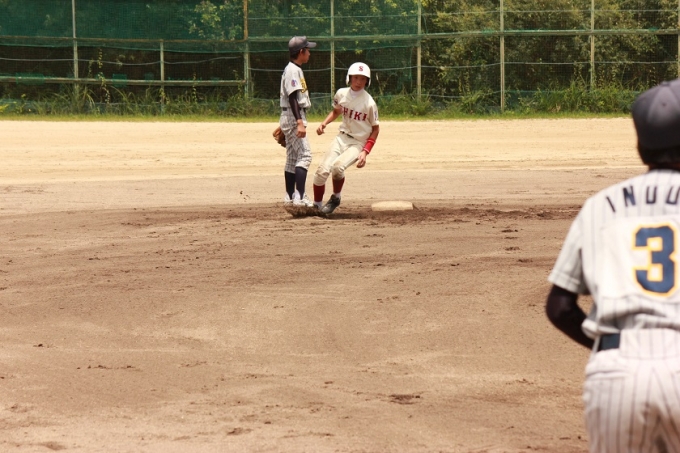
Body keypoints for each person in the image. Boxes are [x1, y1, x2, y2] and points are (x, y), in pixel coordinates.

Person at [546, 78, 680, 452]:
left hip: (616, 372)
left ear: (640, 146)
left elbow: (559, 307)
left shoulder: (600, 206)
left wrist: (609, 347)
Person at [312, 62, 380, 214]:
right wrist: (324, 123)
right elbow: (336, 111)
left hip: (358, 143)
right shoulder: (341, 93)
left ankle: (335, 198)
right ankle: (316, 206)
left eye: (362, 79)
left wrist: (365, 151)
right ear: (349, 78)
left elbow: (376, 129)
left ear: (367, 81)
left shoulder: (369, 103)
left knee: (337, 168)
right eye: (355, 77)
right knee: (322, 171)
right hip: (341, 138)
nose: (358, 82)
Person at [280, 36, 316, 207]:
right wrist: (299, 122)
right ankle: (300, 197)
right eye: (307, 50)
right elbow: (293, 97)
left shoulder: (293, 69)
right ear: (301, 52)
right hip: (294, 116)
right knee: (305, 155)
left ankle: (290, 196)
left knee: (293, 158)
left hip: (289, 115)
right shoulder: (293, 70)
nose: (309, 53)